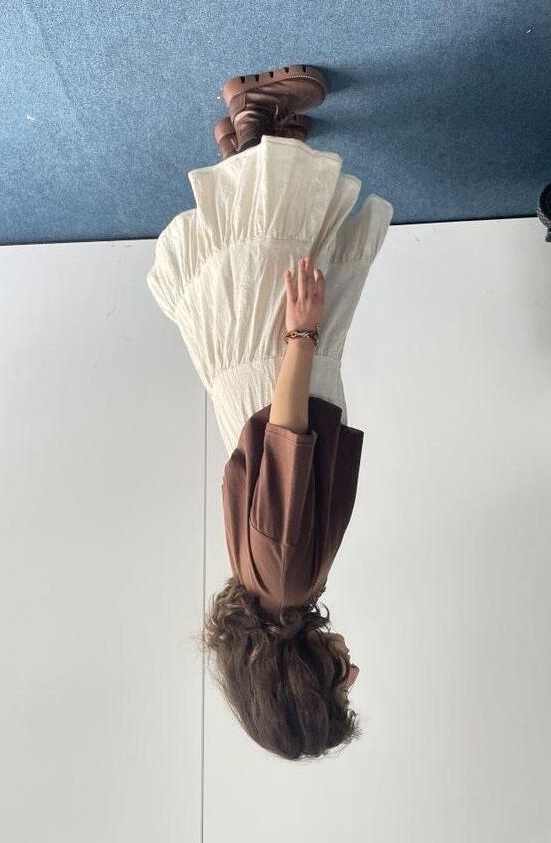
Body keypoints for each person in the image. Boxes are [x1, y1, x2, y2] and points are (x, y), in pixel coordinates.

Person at [146, 65, 393, 760]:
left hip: (273, 372)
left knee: (272, 265)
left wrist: (300, 334)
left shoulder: (286, 583)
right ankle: (252, 143)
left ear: (301, 684)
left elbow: (287, 438)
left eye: (339, 693)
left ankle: (254, 113)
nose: (351, 677)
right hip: (262, 378)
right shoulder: (269, 593)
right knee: (264, 259)